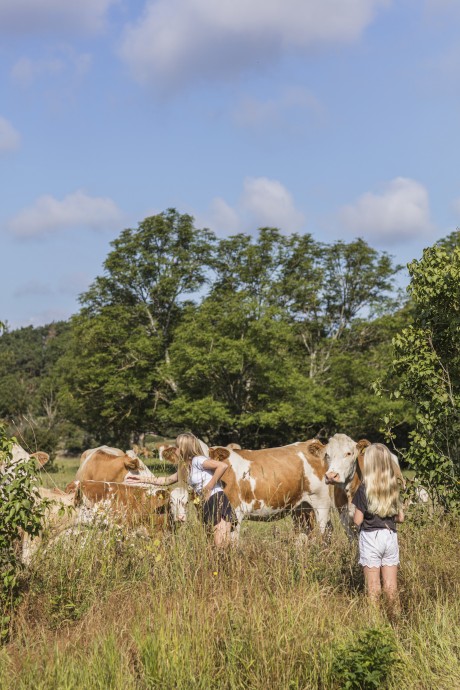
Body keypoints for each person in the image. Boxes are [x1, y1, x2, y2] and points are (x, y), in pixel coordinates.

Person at [130, 433, 234, 548]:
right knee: (215, 544)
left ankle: (225, 565)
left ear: (185, 448)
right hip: (206, 503)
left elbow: (222, 466)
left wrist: (209, 486)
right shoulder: (186, 467)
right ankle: (221, 565)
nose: (175, 450)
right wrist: (141, 478)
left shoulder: (198, 460)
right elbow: (166, 480)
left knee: (221, 545)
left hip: (216, 499)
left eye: (177, 446)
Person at [352, 443, 404, 612]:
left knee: (373, 589)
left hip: (371, 537)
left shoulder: (363, 488)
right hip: (390, 536)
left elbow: (357, 520)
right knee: (391, 587)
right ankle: (395, 620)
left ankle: (375, 624)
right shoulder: (393, 487)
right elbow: (400, 518)